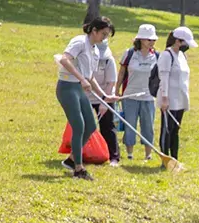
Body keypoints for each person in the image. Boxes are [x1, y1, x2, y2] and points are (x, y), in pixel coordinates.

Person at [56, 16, 120, 181]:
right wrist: (81, 78)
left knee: (90, 126)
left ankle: (71, 160)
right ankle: (78, 168)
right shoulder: (79, 42)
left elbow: (90, 76)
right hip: (67, 87)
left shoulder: (95, 49)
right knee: (79, 127)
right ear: (94, 30)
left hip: (78, 88)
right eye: (103, 34)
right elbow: (64, 59)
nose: (104, 38)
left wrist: (104, 95)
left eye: (107, 35)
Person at [117, 24, 158, 162]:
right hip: (129, 96)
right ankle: (129, 154)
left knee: (148, 126)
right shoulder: (129, 54)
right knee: (130, 125)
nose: (151, 42)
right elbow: (122, 72)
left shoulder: (157, 56)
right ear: (140, 39)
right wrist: (117, 91)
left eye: (153, 40)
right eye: (149, 40)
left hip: (149, 97)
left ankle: (148, 154)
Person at [157, 26, 197, 163]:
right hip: (169, 99)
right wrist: (164, 98)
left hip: (181, 99)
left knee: (175, 130)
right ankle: (165, 158)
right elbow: (164, 78)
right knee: (167, 130)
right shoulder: (166, 55)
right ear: (178, 41)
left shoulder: (182, 55)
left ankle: (175, 158)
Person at [87, 38, 119, 166]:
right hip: (87, 96)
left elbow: (111, 83)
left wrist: (104, 102)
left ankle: (113, 157)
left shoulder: (108, 61)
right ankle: (85, 153)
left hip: (105, 96)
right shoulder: (86, 58)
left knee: (107, 127)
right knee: (85, 126)